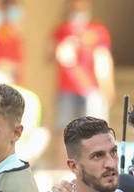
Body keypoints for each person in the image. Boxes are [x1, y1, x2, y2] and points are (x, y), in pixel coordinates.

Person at [51, 0, 114, 162]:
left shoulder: (97, 30)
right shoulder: (61, 30)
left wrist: (107, 86)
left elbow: (102, 58)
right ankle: (61, 166)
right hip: (66, 87)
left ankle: (95, 163)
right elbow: (49, 54)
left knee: (95, 130)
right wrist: (60, 49)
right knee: (63, 128)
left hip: (91, 88)